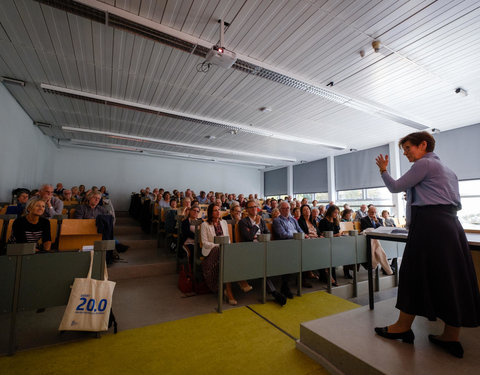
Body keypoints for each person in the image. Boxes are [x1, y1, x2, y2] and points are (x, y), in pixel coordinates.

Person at [374, 131, 480, 358]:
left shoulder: (424, 165)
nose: (406, 154)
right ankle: (451, 336)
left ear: (423, 145)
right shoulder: (447, 170)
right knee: (451, 277)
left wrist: (383, 170)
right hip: (450, 225)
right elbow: (438, 196)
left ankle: (401, 328)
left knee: (412, 273)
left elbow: (394, 186)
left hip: (430, 226)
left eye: (408, 149)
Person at [200, 204, 236, 304]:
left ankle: (228, 290)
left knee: (228, 257)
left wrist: (224, 245)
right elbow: (204, 243)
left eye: (218, 210)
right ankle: (234, 287)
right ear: (211, 213)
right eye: (215, 210)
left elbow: (227, 239)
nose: (218, 212)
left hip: (224, 252)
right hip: (211, 252)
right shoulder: (205, 225)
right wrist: (218, 245)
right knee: (220, 251)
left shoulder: (224, 222)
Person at [272, 201, 303, 298]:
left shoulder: (293, 220)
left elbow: (300, 230)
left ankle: (302, 280)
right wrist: (297, 236)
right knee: (289, 258)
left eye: (288, 208)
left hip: (297, 243)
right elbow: (282, 234)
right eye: (284, 208)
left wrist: (303, 235)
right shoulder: (277, 220)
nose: (286, 210)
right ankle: (285, 286)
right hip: (284, 246)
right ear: (280, 210)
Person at [360, 206, 393, 276]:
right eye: (372, 212)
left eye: (375, 212)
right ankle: (386, 268)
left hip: (379, 239)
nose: (373, 214)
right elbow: (365, 229)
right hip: (369, 238)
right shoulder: (363, 219)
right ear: (368, 212)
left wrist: (376, 221)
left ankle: (377, 264)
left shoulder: (379, 220)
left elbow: (382, 229)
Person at [318, 205, 341, 286]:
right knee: (330, 256)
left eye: (337, 213)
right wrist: (335, 235)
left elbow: (337, 231)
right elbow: (322, 234)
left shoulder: (335, 221)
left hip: (334, 243)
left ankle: (330, 276)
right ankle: (330, 276)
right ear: (330, 212)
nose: (336, 214)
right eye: (335, 212)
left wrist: (337, 235)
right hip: (324, 244)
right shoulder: (323, 221)